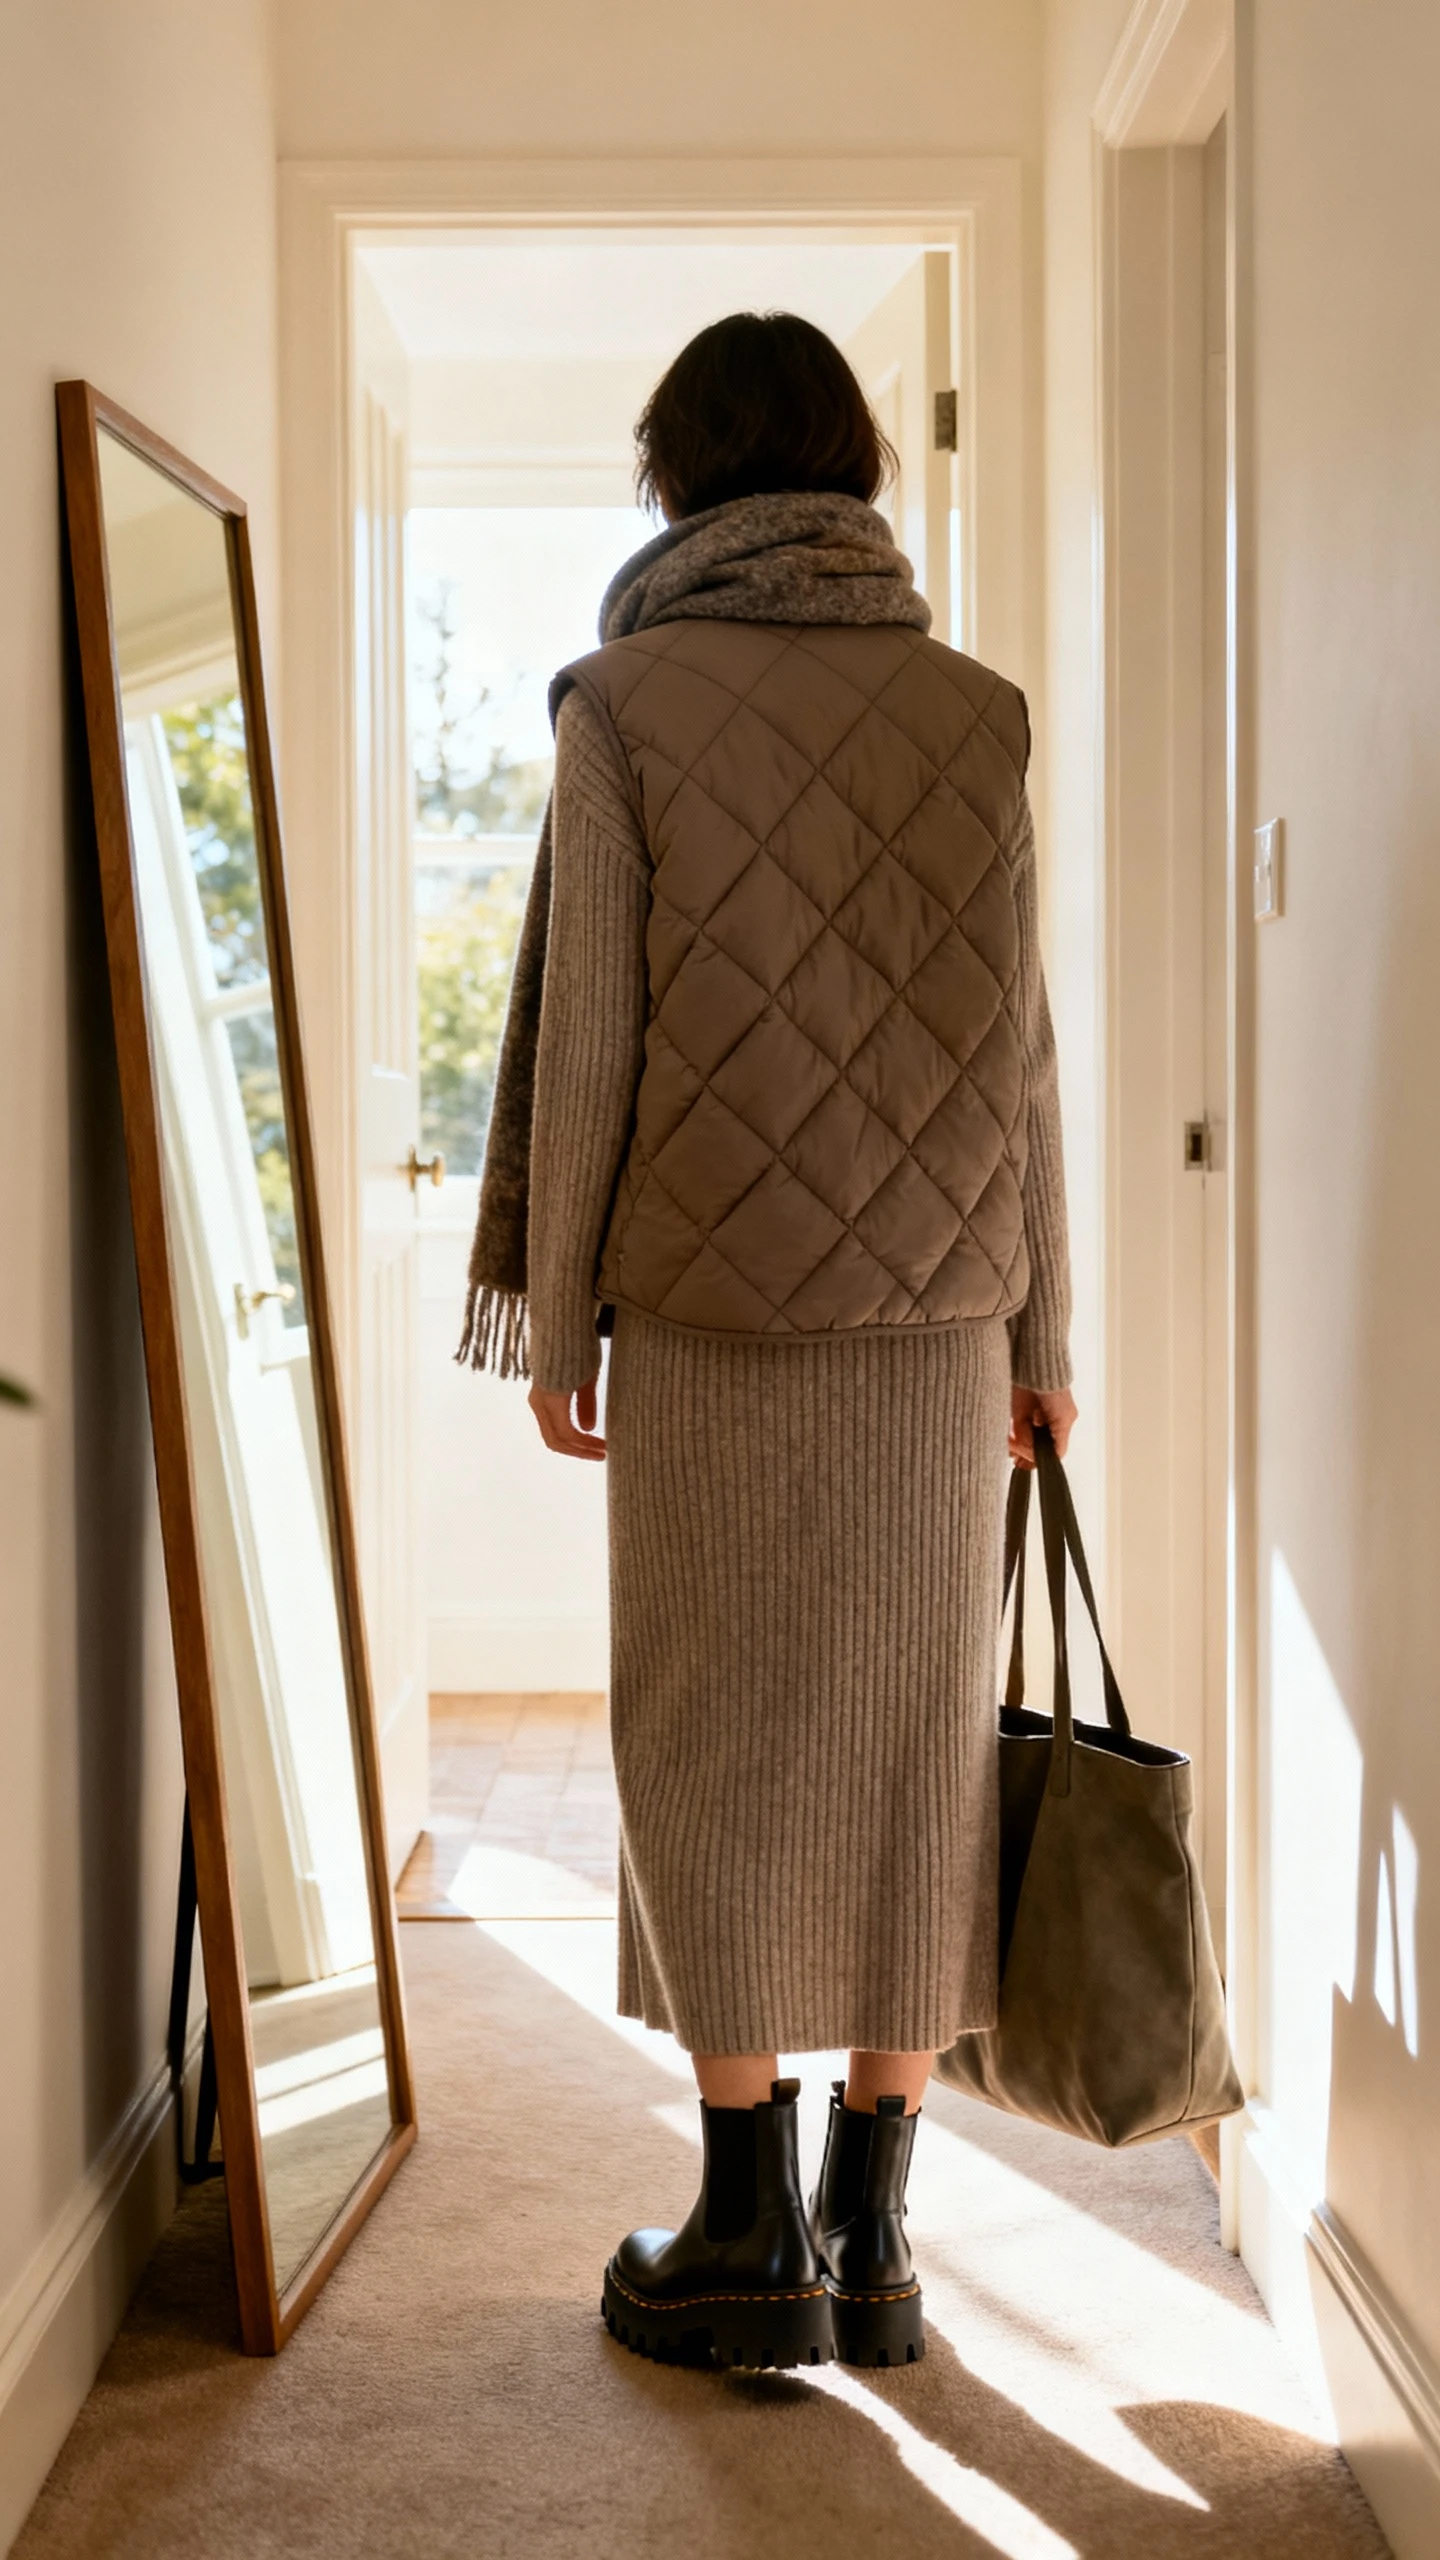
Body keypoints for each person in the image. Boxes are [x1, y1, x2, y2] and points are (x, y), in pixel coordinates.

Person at [460, 310, 1076, 2374]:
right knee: (919, 1743)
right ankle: (875, 2235)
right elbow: (1026, 1054)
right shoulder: (976, 712)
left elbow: (594, 1037)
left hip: (713, 1319)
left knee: (706, 1732)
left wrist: (560, 1312)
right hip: (942, 1320)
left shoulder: (623, 700)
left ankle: (746, 2229)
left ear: (679, 472)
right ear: (856, 465)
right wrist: (1044, 1327)